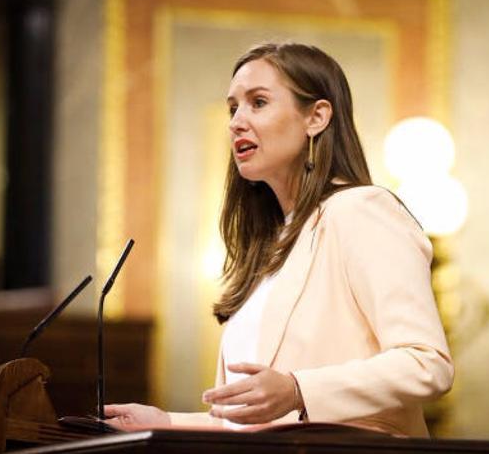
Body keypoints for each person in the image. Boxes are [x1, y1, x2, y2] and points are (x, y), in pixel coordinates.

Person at [104, 42, 454, 437]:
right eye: (233, 108)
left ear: (317, 117)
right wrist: (167, 423)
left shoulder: (360, 211)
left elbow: (427, 364)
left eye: (258, 102)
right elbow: (261, 422)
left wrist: (298, 389)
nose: (237, 122)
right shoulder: (270, 245)